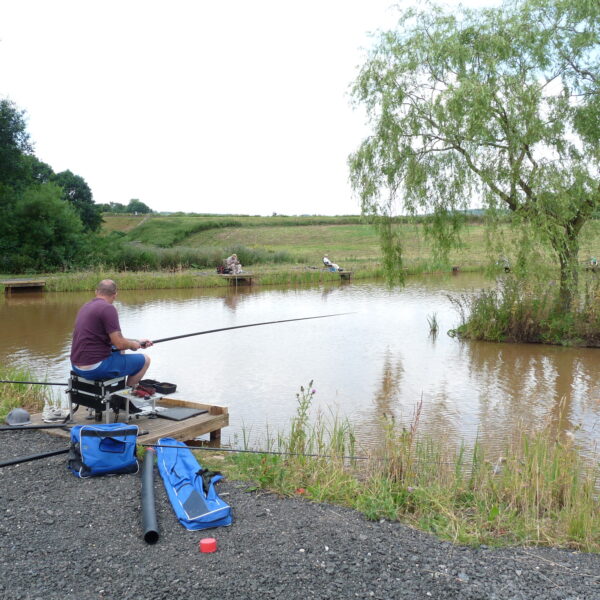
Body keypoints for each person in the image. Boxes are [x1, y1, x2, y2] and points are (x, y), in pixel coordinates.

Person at [70, 279, 153, 388]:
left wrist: (137, 341)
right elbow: (120, 343)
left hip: (76, 365)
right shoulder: (108, 309)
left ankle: (117, 389)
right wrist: (134, 345)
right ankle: (127, 398)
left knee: (120, 349)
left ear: (96, 292)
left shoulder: (85, 307)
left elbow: (114, 340)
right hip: (95, 368)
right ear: (115, 295)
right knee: (145, 360)